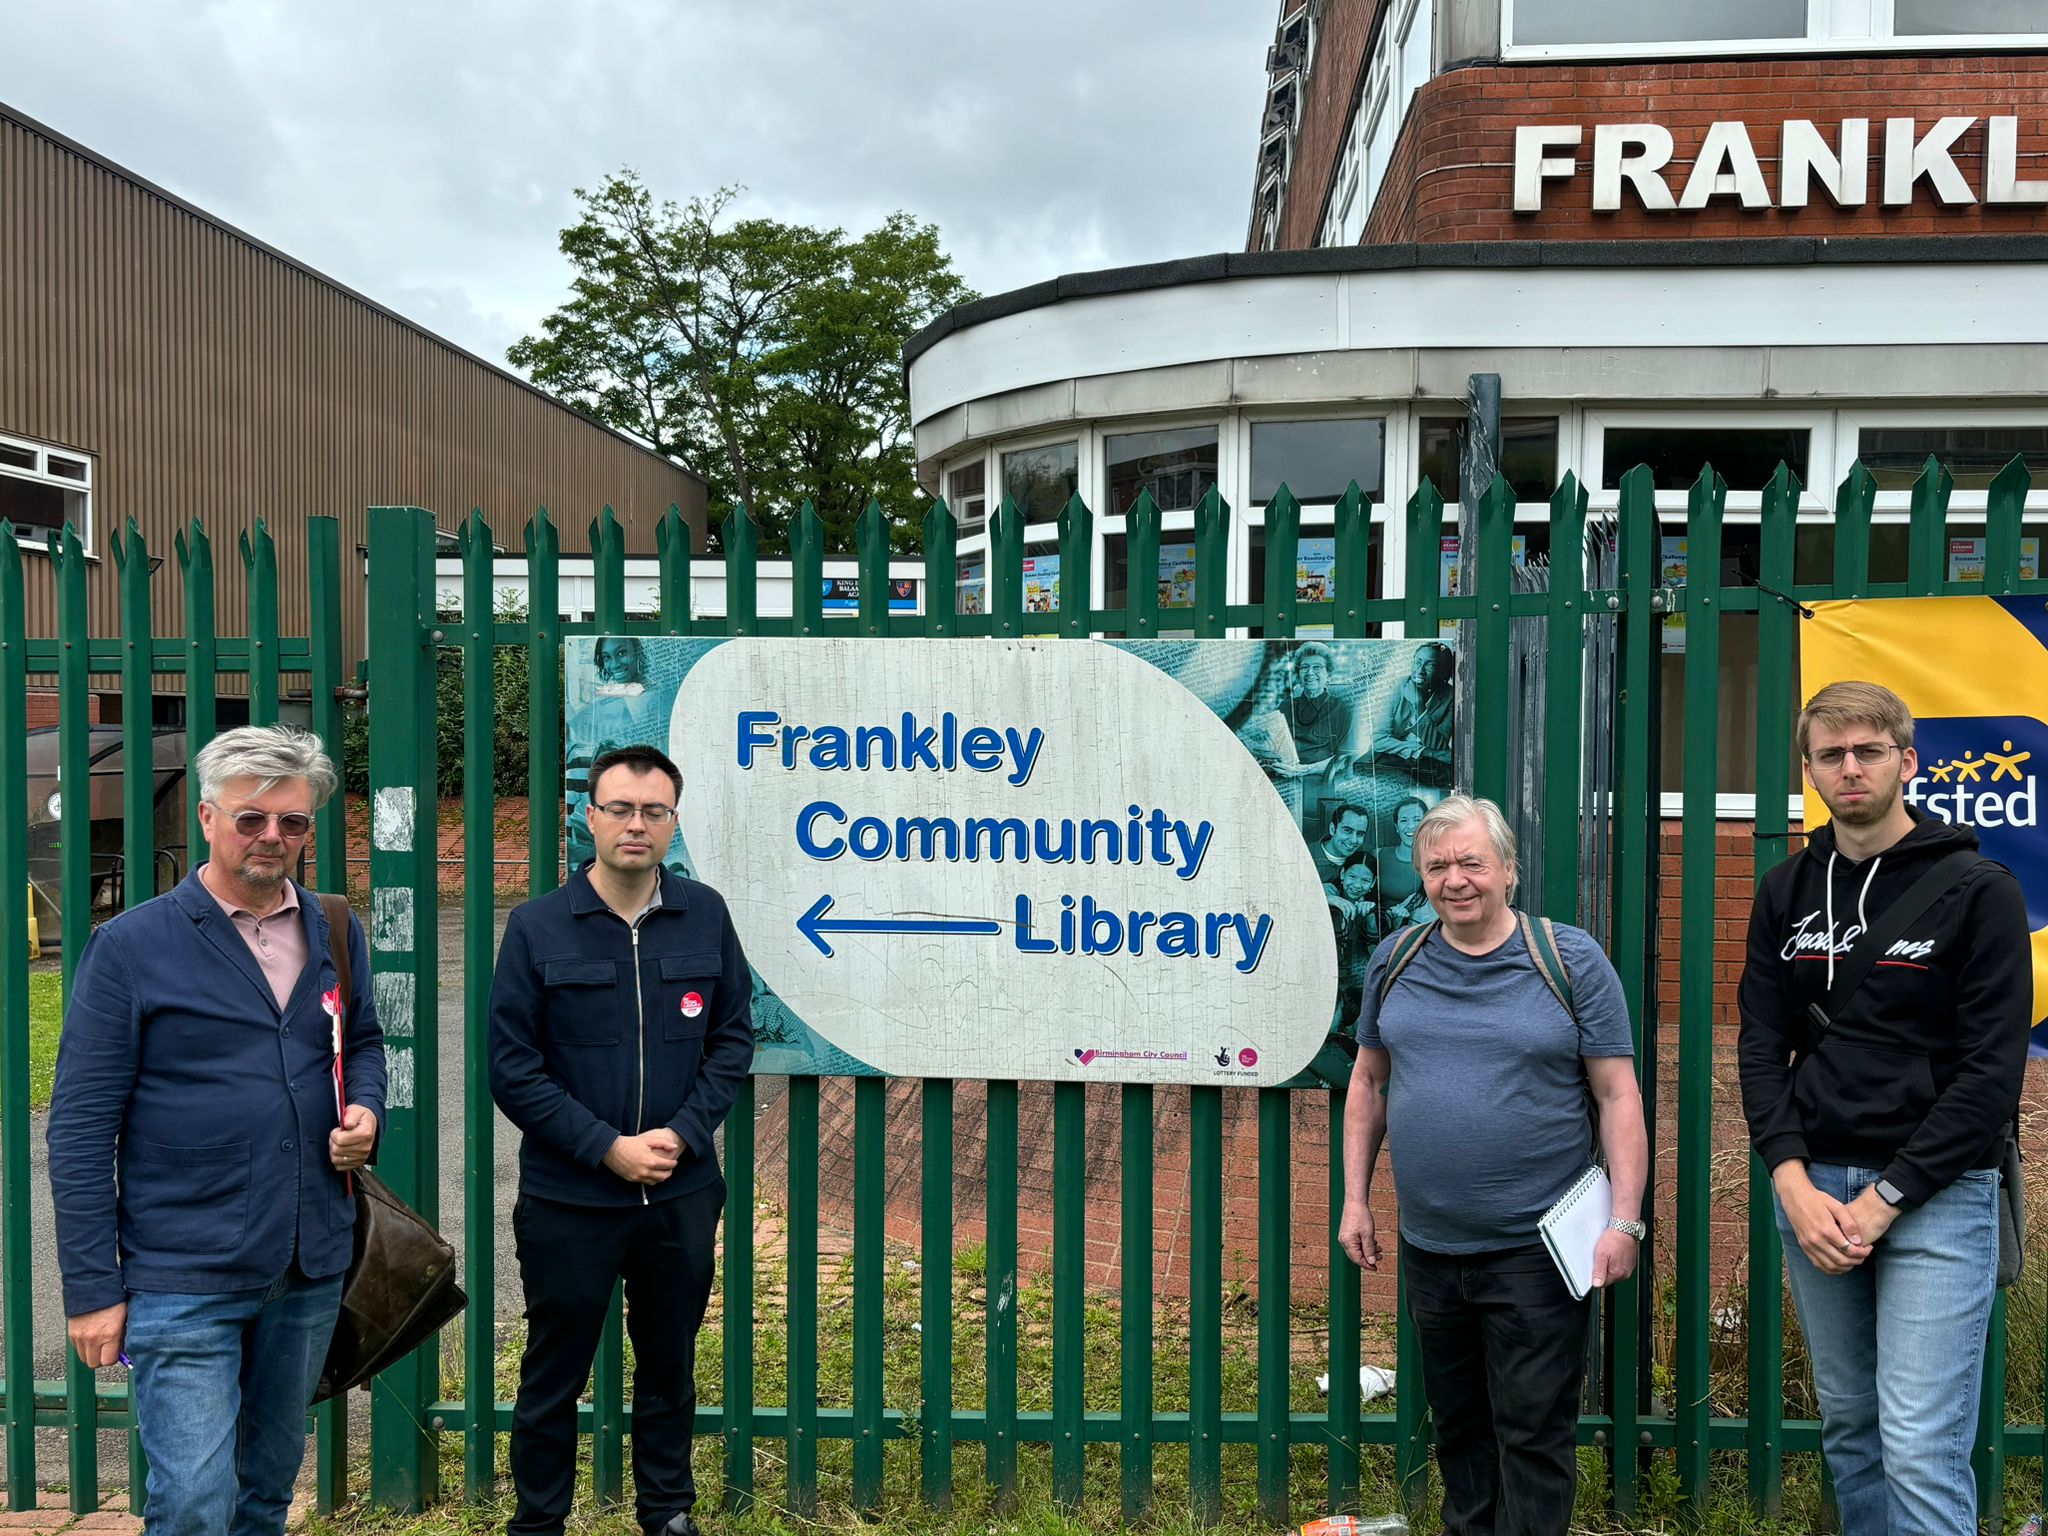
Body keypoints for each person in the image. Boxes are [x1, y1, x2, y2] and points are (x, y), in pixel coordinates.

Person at [47, 725, 384, 1536]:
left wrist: (365, 1108)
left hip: (307, 1261)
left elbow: (363, 1041)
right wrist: (94, 1289)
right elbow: (81, 1126)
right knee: (195, 1504)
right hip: (182, 1270)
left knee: (264, 1492)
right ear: (206, 817)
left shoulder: (335, 928)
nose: (273, 837)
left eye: (293, 822)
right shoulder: (130, 946)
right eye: (251, 818)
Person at [1737, 681, 2030, 1536]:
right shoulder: (1786, 890)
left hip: (1937, 1199)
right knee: (1853, 1431)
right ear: (1811, 772)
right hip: (1815, 1191)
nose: (1850, 767)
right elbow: (1760, 1048)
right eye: (1831, 755)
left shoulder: (1979, 890)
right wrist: (1790, 1181)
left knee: (1917, 1443)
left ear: (1907, 760)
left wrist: (1885, 1199)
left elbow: (1989, 1078)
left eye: (1868, 750)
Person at [1338, 794, 1647, 1536]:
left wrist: (1627, 1222)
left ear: (1508, 869)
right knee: (1460, 1430)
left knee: (1534, 1434)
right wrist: (1356, 1198)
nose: (1456, 879)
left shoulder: (1568, 960)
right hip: (1433, 1247)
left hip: (1537, 1249)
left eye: (1472, 861)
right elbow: (1369, 1082)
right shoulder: (1397, 957)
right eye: (1438, 865)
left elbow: (1617, 1094)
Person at [490, 744, 755, 1536]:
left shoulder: (705, 913)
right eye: (620, 809)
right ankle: (539, 1522)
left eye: (653, 811)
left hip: (679, 1194)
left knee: (670, 1366)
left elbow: (733, 1040)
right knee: (552, 1374)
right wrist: (605, 1145)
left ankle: (667, 1512)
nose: (635, 825)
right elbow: (513, 1067)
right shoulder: (537, 927)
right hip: (570, 1199)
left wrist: (680, 1132)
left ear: (673, 822)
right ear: (590, 817)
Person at [1374, 641, 1453, 786]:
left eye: (1431, 665)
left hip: (1429, 768)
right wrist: (1423, 751)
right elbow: (1377, 740)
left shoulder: (1451, 696)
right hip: (1389, 761)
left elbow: (1438, 746)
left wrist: (1419, 707)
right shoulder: (1395, 687)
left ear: (1443, 671)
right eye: (1417, 662)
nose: (1420, 670)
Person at [1372, 795, 1431, 932]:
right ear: (1396, 827)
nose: (1410, 826)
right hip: (1377, 933)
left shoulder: (1435, 862)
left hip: (1418, 934)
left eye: (1417, 820)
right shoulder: (1378, 855)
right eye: (1404, 820)